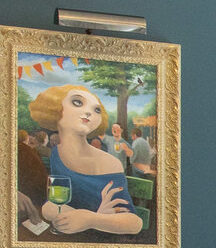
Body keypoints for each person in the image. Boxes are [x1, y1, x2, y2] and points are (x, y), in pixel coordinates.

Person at [28, 85, 144, 237]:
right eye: (77, 102)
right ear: (56, 109)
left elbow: (134, 223)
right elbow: (56, 203)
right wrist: (70, 214)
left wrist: (92, 219)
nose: (89, 112)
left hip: (103, 244)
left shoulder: (108, 163)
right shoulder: (57, 153)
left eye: (96, 110)